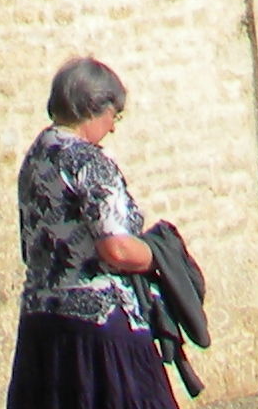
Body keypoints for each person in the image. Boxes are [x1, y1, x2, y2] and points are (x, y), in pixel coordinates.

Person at [10, 56, 170, 409]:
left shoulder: (36, 157)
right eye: (113, 114)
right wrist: (158, 254)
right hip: (98, 330)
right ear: (92, 108)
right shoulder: (88, 161)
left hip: (43, 324)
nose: (112, 127)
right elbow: (116, 249)